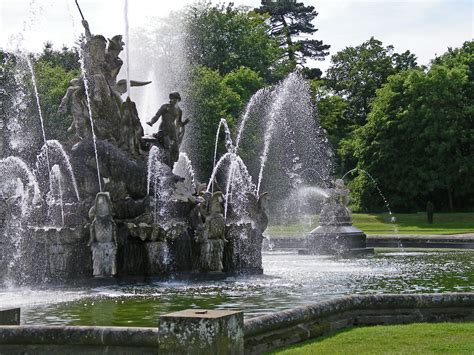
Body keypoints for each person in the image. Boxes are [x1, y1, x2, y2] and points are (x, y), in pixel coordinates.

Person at [146, 92, 183, 166]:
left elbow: (178, 123)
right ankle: (167, 167)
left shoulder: (179, 110)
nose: (174, 100)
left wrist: (182, 126)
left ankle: (171, 166)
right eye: (173, 98)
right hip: (164, 129)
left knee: (175, 150)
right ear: (170, 98)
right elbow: (157, 115)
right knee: (168, 147)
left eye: (176, 98)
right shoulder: (165, 107)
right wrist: (151, 122)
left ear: (178, 100)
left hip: (173, 131)